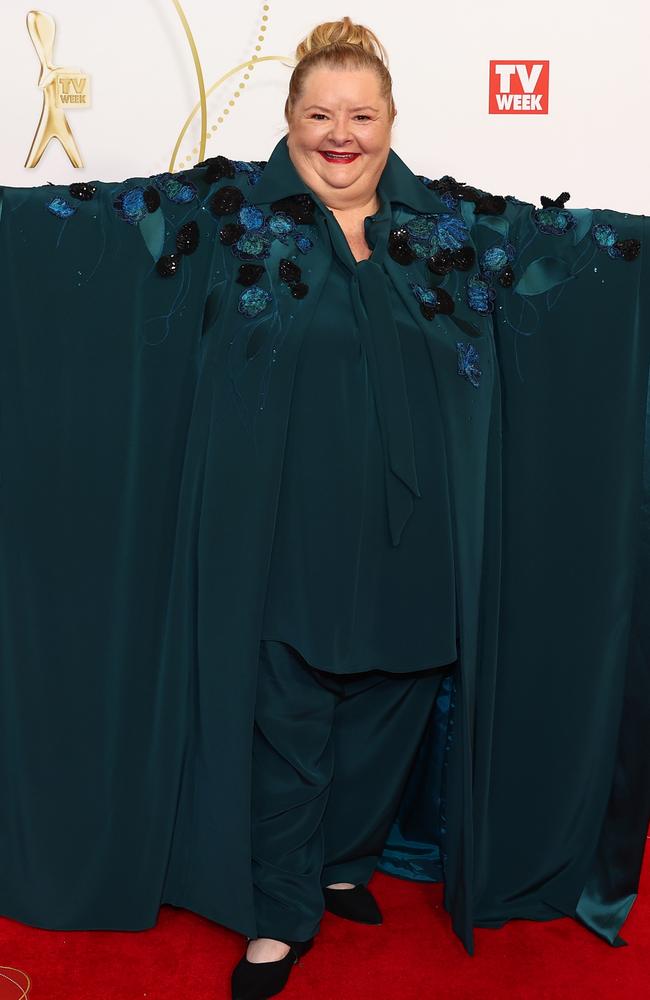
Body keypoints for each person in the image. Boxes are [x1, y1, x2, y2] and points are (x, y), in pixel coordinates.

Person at [0, 15, 648, 1000]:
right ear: (289, 118)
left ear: (390, 121)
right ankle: (278, 915)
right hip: (281, 535)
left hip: (416, 537)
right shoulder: (222, 210)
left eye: (359, 115)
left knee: (388, 709)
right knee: (285, 721)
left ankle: (343, 857)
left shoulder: (445, 226)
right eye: (318, 114)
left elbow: (565, 252)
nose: (337, 134)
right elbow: (87, 227)